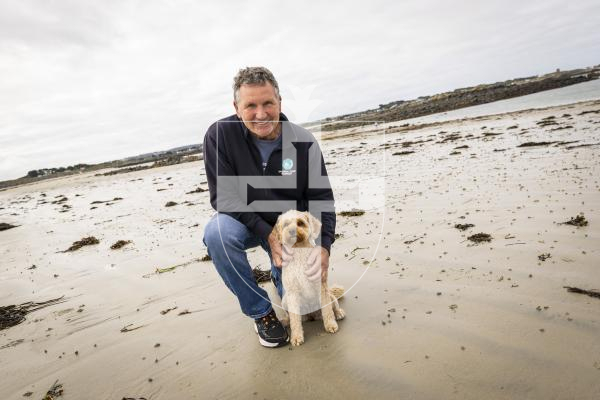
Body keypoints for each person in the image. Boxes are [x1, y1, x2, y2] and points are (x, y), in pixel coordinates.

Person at [202, 66, 336, 348]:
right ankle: (261, 313)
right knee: (217, 234)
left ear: (280, 102)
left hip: (289, 227)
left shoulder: (303, 142)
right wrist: (266, 232)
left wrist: (323, 246)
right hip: (246, 222)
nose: (261, 114)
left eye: (268, 103)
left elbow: (321, 197)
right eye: (250, 105)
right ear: (236, 107)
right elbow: (223, 196)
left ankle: (281, 280)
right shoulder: (219, 136)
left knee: (295, 296)